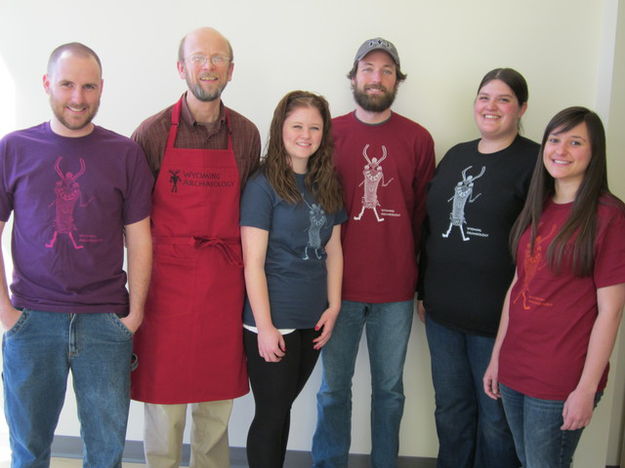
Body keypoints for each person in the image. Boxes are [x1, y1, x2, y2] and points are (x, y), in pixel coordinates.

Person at [0, 42, 153, 466]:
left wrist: (133, 315)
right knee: (28, 450)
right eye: (67, 84)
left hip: (105, 323)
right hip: (31, 320)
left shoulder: (125, 153)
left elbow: (140, 238)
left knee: (105, 453)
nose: (77, 98)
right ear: (47, 83)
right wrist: (6, 315)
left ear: (101, 88)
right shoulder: (13, 148)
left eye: (88, 87)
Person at [130, 27, 261, 468]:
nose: (209, 66)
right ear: (182, 67)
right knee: (163, 415)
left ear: (231, 69)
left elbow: (250, 217)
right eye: (199, 58)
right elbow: (133, 223)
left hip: (223, 290)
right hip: (165, 293)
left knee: (214, 415)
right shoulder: (150, 134)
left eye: (218, 58)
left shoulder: (246, 134)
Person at [312, 37, 435, 468]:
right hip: (336, 292)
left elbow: (424, 217)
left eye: (386, 70)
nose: (376, 77)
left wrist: (422, 285)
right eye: (368, 68)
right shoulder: (327, 133)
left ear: (397, 80)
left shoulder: (418, 139)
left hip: (396, 292)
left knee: (390, 391)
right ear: (353, 77)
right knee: (332, 389)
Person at [483, 107, 625, 467]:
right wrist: (498, 356)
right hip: (515, 368)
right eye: (555, 140)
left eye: (575, 142)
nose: (560, 150)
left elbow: (611, 311)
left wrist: (587, 388)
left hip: (561, 379)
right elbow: (518, 284)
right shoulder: (538, 207)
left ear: (594, 153)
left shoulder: (609, 216)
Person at [418, 68, 538, 468]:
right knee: (451, 412)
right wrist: (422, 290)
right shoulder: (457, 156)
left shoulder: (536, 161)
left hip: (498, 322)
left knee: (495, 421)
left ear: (521, 108)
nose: (491, 106)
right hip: (442, 315)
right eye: (484, 97)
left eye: (503, 99)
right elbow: (429, 227)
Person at [241, 90, 345, 468]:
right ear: (281, 129)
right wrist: (265, 327)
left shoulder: (328, 182)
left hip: (313, 319)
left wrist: (334, 307)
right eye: (297, 126)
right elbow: (252, 263)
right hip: (274, 322)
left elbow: (334, 250)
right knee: (271, 415)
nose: (306, 134)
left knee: (281, 409)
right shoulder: (262, 185)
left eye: (314, 127)